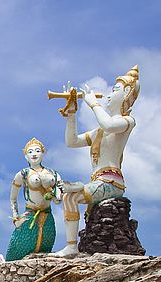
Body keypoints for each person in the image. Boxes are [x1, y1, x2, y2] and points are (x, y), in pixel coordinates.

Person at [54, 65, 140, 257]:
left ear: (127, 93)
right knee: (70, 196)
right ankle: (70, 245)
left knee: (72, 196)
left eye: (115, 90)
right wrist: (72, 114)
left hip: (112, 181)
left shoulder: (127, 121)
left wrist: (93, 103)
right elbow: (72, 141)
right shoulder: (99, 132)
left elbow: (108, 123)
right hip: (98, 181)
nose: (109, 95)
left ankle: (71, 247)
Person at [6, 137, 63, 261]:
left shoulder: (53, 173)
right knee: (19, 248)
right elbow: (13, 198)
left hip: (47, 216)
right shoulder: (23, 174)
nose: (34, 154)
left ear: (43, 153)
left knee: (45, 248)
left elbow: (59, 200)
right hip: (30, 216)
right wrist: (16, 217)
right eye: (30, 152)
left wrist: (53, 194)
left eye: (37, 151)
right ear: (26, 156)